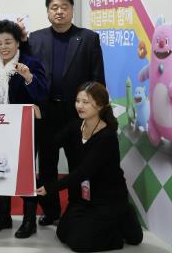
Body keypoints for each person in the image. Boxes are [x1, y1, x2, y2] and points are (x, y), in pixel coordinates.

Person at [27, 0, 106, 226]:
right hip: (46, 114)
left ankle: (76, 209)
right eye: (54, 7)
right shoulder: (35, 39)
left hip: (77, 115)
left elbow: (97, 79)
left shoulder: (88, 38)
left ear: (72, 10)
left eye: (64, 7)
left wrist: (96, 113)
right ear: (48, 11)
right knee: (47, 165)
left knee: (78, 165)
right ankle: (51, 211)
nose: (59, 11)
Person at [37, 82, 143, 252]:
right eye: (77, 101)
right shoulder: (75, 126)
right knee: (63, 232)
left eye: (85, 102)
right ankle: (109, 223)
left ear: (100, 105)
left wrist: (50, 187)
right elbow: (51, 144)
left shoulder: (107, 137)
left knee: (79, 242)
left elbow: (82, 172)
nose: (79, 106)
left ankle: (120, 225)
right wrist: (39, 120)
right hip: (84, 198)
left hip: (107, 199)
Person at [0, 20, 47, 238]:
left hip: (25, 130)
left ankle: (29, 220)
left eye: (8, 42)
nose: (3, 47)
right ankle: (4, 216)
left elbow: (42, 94)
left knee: (25, 173)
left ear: (18, 42)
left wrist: (28, 77)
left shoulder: (30, 62)